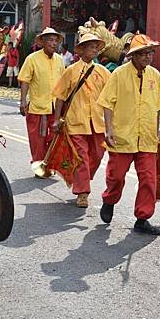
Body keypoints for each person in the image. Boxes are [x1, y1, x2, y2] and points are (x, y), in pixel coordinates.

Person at [97, 34, 160, 235]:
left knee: (148, 179)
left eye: (150, 53)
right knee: (116, 176)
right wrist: (109, 129)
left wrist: (156, 134)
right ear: (133, 55)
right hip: (122, 135)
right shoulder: (119, 74)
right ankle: (109, 200)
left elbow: (157, 108)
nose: (148, 57)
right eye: (143, 53)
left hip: (146, 137)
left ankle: (142, 217)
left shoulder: (155, 75)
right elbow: (106, 103)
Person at [52, 33, 111, 208]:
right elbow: (60, 97)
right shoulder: (71, 71)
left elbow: (110, 97)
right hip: (76, 121)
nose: (94, 50)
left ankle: (82, 179)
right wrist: (56, 120)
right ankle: (82, 192)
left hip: (97, 123)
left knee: (98, 156)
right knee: (81, 158)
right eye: (91, 46)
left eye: (96, 47)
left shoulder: (103, 71)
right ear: (82, 49)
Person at [18, 27, 65, 174]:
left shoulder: (59, 60)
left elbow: (63, 83)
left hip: (55, 108)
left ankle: (49, 164)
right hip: (37, 107)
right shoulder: (32, 59)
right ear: (43, 42)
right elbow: (25, 80)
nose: (54, 43)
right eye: (50, 40)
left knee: (54, 139)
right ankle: (39, 167)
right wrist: (23, 101)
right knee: (37, 141)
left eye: (56, 40)